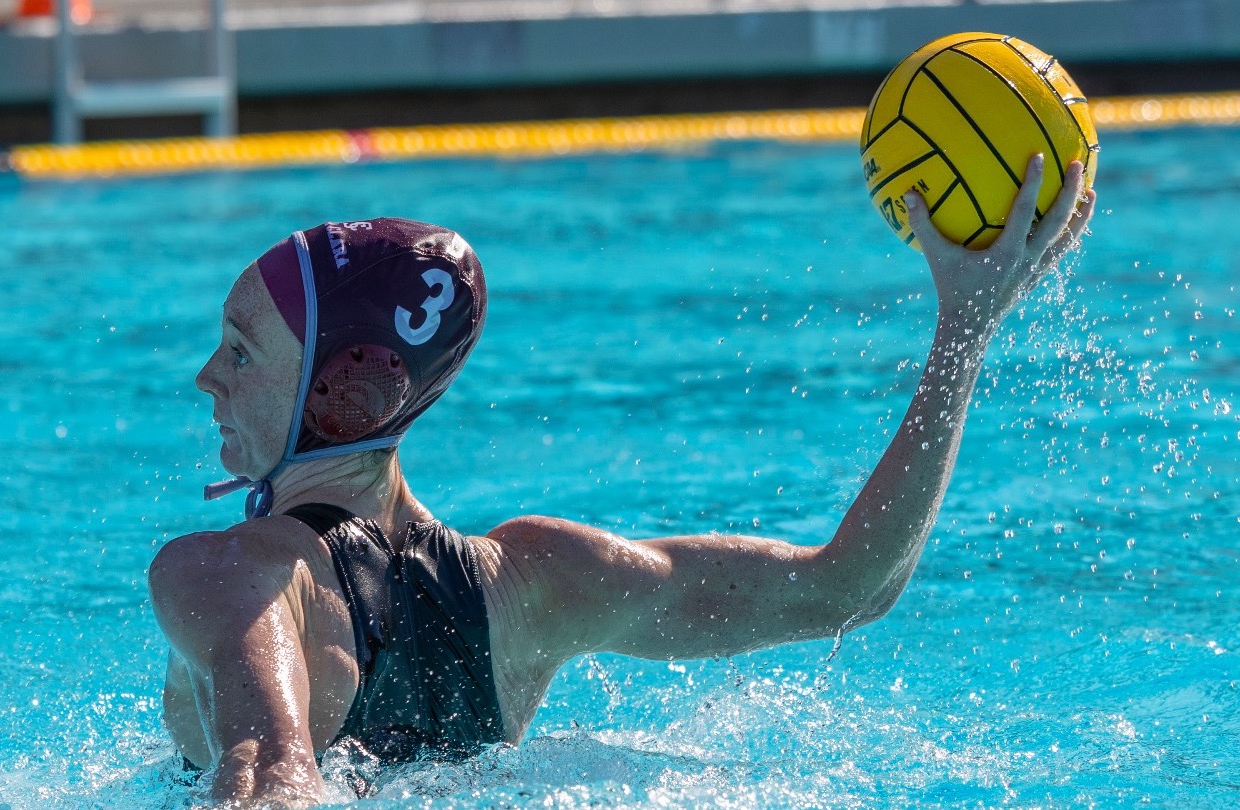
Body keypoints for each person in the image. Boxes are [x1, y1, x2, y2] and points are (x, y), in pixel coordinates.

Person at [148, 155, 1096, 807]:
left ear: (350, 389)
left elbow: (271, 772)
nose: (208, 377)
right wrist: (963, 332)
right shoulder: (538, 580)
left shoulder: (230, 574)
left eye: (240, 351)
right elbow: (848, 588)